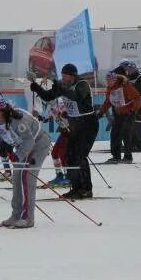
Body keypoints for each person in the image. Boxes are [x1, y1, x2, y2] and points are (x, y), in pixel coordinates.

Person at [0, 92, 52, 228]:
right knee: (17, 178)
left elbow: (29, 140)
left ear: (1, 109)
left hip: (38, 144)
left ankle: (28, 218)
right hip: (23, 147)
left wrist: (17, 155)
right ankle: (16, 215)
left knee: (27, 178)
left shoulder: (17, 119)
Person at [30, 63, 97, 199]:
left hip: (88, 125)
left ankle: (86, 189)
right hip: (75, 125)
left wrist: (60, 87)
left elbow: (76, 96)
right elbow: (48, 96)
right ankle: (75, 187)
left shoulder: (82, 84)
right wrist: (36, 88)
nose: (63, 78)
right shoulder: (64, 86)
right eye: (62, 75)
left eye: (65, 75)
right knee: (68, 156)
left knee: (80, 156)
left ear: (72, 75)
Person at [100, 70, 141, 164]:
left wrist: (133, 110)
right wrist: (101, 112)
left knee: (126, 133)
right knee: (115, 134)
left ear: (114, 80)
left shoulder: (125, 86)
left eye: (109, 80)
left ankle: (128, 156)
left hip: (129, 113)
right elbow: (108, 102)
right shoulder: (110, 89)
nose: (107, 82)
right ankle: (116, 156)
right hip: (118, 113)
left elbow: (137, 98)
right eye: (107, 80)